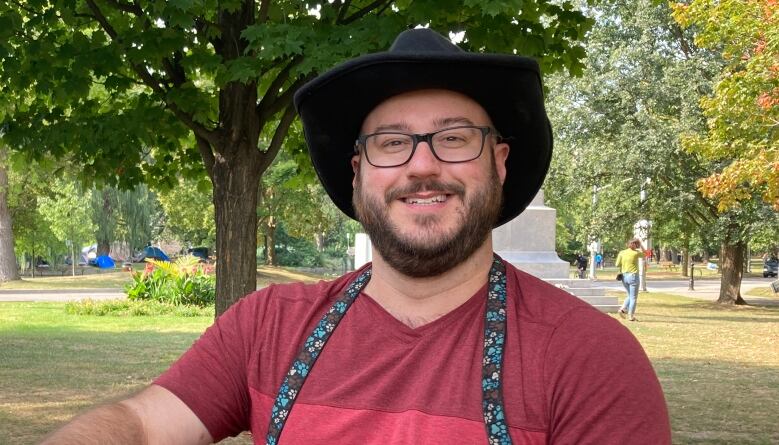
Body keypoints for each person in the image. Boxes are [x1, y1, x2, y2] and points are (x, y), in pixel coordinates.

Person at [42, 29, 670, 444]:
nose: (422, 166)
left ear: (499, 162)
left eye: (454, 138)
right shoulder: (267, 326)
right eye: (391, 143)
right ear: (358, 173)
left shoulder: (590, 360)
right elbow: (142, 425)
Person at [615, 238, 643, 321]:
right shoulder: (636, 253)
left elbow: (617, 264)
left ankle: (622, 309)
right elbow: (647, 254)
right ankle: (631, 315)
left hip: (624, 277)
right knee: (633, 297)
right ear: (636, 245)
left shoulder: (622, 252)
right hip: (633, 276)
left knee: (630, 295)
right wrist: (641, 245)